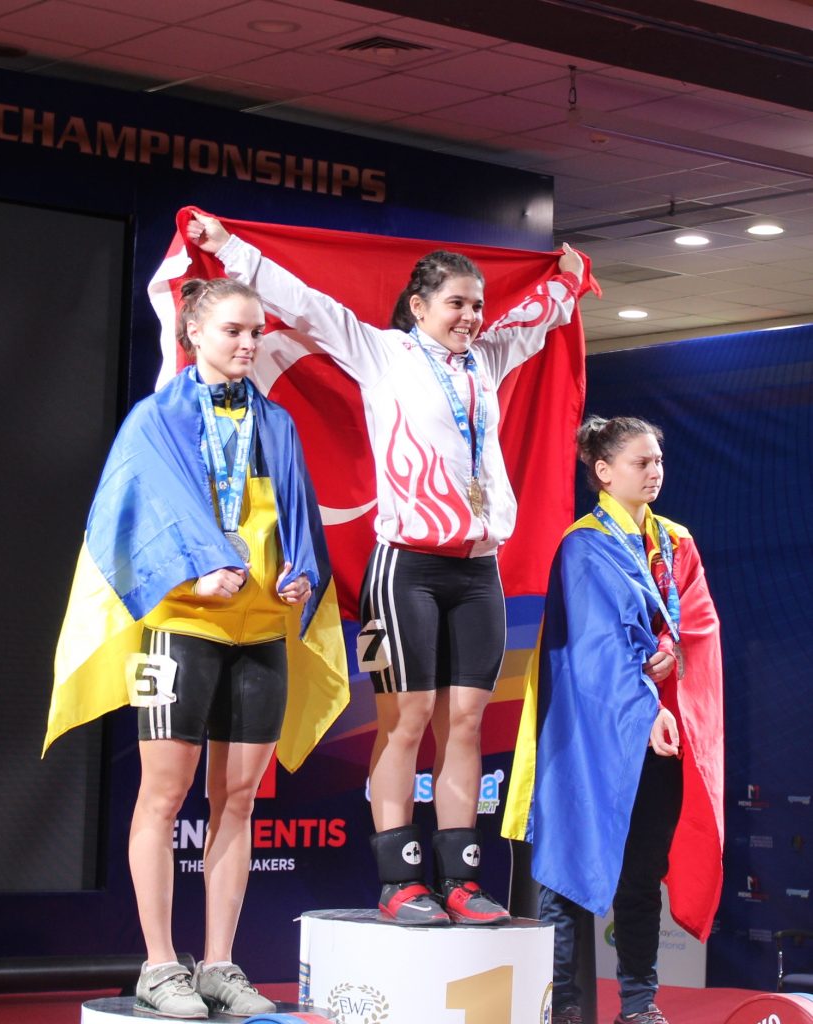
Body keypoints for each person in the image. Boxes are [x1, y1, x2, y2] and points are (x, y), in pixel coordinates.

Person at [185, 210, 585, 927]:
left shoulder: (487, 359)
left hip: (479, 572)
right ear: (419, 306)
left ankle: (461, 881)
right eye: (456, 303)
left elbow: (538, 319)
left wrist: (570, 283)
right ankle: (399, 881)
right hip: (405, 571)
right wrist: (229, 246)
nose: (471, 317)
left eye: (477, 305)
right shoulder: (380, 352)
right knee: (408, 720)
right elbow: (302, 300)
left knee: (466, 723)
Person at [45, 276, 348, 1018]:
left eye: (256, 332)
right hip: (182, 631)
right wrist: (190, 573)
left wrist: (301, 575)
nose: (248, 344)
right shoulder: (155, 420)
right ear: (194, 335)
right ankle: (158, 966)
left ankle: (218, 965)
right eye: (233, 331)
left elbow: (298, 519)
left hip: (261, 633)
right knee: (164, 796)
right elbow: (126, 523)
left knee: (237, 802)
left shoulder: (275, 422)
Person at [502, 416, 724, 1024]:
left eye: (658, 461)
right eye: (640, 463)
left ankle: (639, 1004)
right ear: (603, 472)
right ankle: (564, 1007)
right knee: (568, 870)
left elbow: (698, 623)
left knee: (642, 873)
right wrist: (645, 707)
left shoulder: (675, 541)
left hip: (659, 735)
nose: (655, 472)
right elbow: (596, 649)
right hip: (589, 735)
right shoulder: (583, 544)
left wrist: (673, 649)